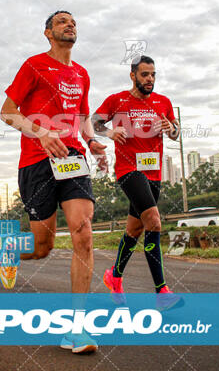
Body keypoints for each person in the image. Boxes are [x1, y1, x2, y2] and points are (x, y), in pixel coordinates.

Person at [0, 10, 107, 353]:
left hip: (73, 158)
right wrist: (42, 133)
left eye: (73, 21)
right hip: (36, 161)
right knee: (41, 247)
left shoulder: (81, 74)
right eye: (61, 21)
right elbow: (7, 112)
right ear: (47, 32)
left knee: (83, 232)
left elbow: (83, 117)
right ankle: (11, 251)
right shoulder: (33, 66)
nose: (69, 24)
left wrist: (91, 142)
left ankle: (76, 329)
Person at [92, 55, 181, 306]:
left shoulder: (163, 102)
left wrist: (170, 128)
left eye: (153, 74)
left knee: (135, 229)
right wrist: (110, 132)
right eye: (144, 74)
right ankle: (161, 291)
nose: (150, 79)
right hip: (129, 170)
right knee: (153, 221)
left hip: (154, 173)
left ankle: (114, 276)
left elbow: (175, 134)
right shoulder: (117, 100)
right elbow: (94, 122)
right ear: (133, 75)